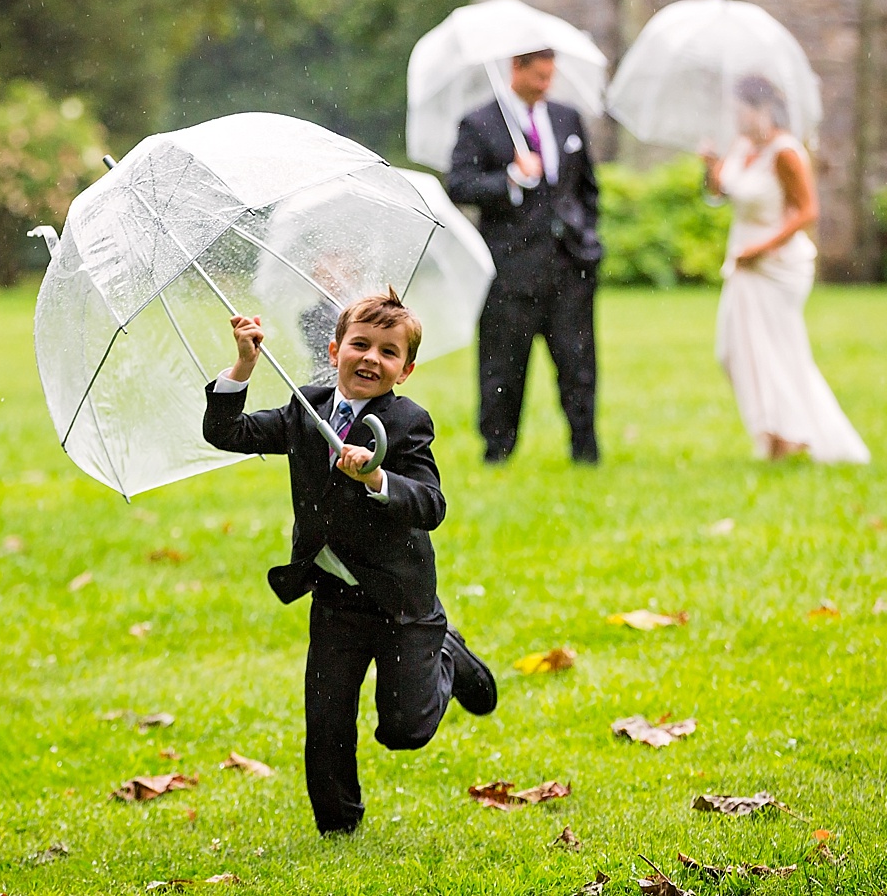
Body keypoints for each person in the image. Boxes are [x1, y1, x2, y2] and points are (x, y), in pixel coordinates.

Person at [201, 288, 497, 836]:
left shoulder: (408, 422)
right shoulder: (304, 408)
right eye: (359, 344)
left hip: (401, 601)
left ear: (405, 370)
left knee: (403, 730)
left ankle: (446, 655)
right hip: (335, 596)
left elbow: (431, 504)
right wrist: (243, 365)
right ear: (334, 349)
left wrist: (377, 478)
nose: (370, 358)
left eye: (387, 352)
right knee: (326, 719)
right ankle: (338, 826)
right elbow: (226, 432)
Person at [702, 75, 870, 463]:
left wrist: (760, 248)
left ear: (759, 109)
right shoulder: (741, 146)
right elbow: (720, 194)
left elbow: (807, 211)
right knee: (733, 351)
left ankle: (789, 436)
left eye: (739, 109)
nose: (734, 117)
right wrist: (711, 165)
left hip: (777, 263)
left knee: (776, 350)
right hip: (743, 259)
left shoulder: (785, 152)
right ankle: (776, 429)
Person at [447, 48, 602, 464]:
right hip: (509, 272)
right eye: (538, 76)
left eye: (551, 76)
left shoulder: (567, 119)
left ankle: (585, 447)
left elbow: (587, 187)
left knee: (578, 364)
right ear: (516, 69)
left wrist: (588, 235)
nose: (545, 84)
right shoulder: (480, 123)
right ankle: (498, 450)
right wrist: (510, 179)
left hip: (570, 268)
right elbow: (458, 185)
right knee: (503, 368)